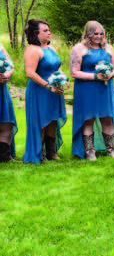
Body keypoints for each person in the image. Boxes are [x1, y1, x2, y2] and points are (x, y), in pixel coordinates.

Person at [70, 21, 114, 160]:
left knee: (107, 118)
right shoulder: (79, 49)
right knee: (88, 119)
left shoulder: (108, 48)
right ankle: (89, 151)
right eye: (95, 34)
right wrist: (95, 76)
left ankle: (111, 149)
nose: (98, 36)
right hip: (86, 89)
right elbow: (74, 72)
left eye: (101, 34)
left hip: (105, 88)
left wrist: (110, 74)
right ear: (88, 34)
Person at [23, 19, 67, 163]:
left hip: (54, 90)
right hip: (40, 90)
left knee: (52, 120)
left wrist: (62, 80)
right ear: (36, 33)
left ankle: (51, 152)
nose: (49, 33)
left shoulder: (51, 48)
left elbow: (57, 67)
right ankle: (39, 153)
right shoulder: (32, 49)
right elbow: (30, 73)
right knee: (42, 120)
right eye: (45, 31)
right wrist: (48, 86)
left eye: (49, 30)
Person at [0, 43, 18, 162]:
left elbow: (10, 65)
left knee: (7, 122)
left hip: (2, 90)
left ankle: (4, 156)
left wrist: (6, 74)